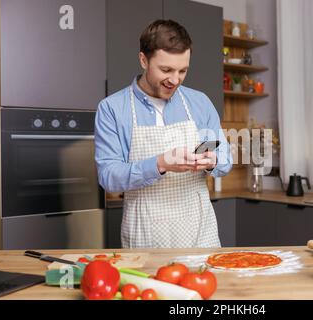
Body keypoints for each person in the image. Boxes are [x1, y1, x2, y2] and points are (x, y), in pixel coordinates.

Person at [95, 19, 232, 248]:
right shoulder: (112, 109)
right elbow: (109, 176)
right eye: (166, 70)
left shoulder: (200, 103)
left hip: (200, 235)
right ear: (143, 60)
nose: (175, 79)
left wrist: (210, 160)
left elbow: (224, 158)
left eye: (182, 70)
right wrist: (160, 163)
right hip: (146, 236)